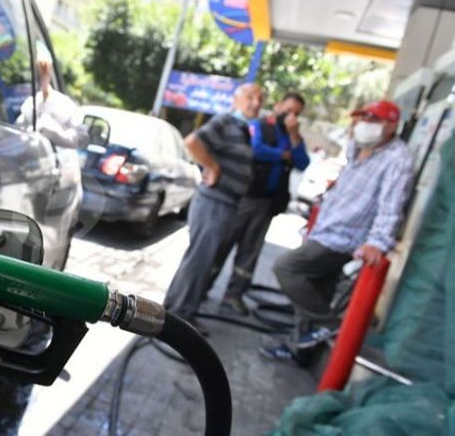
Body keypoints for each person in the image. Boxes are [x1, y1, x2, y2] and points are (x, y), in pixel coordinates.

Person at [261, 100, 414, 365]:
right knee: (315, 291)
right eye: (361, 119)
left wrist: (378, 242)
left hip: (343, 239)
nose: (363, 125)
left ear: (391, 125)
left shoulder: (397, 158)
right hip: (326, 230)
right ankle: (300, 351)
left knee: (287, 268)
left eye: (371, 120)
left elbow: (391, 206)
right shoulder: (360, 148)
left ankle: (330, 324)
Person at [163, 83, 264, 335]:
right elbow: (192, 142)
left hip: (226, 203)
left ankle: (172, 310)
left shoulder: (241, 128)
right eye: (250, 97)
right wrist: (213, 167)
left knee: (198, 259)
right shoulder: (226, 121)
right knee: (201, 261)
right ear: (236, 100)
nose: (255, 103)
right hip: (215, 202)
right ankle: (181, 318)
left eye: (260, 99)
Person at [207, 93, 311, 315]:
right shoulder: (259, 126)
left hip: (267, 203)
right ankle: (200, 287)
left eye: (296, 113)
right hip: (245, 198)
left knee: (250, 251)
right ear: (278, 106)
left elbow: (303, 162)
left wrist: (294, 136)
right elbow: (256, 149)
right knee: (222, 244)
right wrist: (283, 155)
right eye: (288, 110)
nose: (291, 116)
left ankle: (234, 294)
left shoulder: (292, 136)